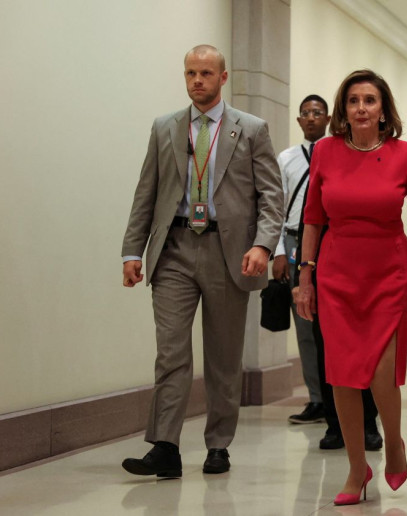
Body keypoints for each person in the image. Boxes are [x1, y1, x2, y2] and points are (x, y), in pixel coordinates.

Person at [120, 44, 283, 478]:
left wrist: (263, 245)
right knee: (171, 352)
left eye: (206, 73)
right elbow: (146, 193)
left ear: (223, 77)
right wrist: (133, 250)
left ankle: (218, 444)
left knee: (223, 356)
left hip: (229, 253)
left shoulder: (251, 130)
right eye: (190, 73)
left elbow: (271, 197)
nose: (197, 81)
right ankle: (166, 446)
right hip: (173, 249)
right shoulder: (165, 128)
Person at [296, 69, 407, 506]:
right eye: (353, 100)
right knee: (340, 373)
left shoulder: (404, 154)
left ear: (383, 110)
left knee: (379, 371)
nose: (361, 108)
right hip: (337, 272)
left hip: (387, 271)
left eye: (370, 100)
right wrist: (305, 276)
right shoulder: (326, 151)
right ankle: (357, 467)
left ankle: (393, 441)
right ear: (344, 109)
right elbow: (313, 218)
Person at [292, 172, 383, 452]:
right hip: (327, 270)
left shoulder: (371, 167)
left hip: (368, 270)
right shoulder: (326, 164)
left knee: (366, 350)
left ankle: (368, 424)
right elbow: (309, 223)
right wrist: (303, 279)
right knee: (328, 350)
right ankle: (335, 425)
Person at [273, 95, 330, 425]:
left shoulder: (337, 152)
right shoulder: (287, 158)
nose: (311, 118)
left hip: (330, 238)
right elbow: (277, 208)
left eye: (317, 113)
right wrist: (278, 250)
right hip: (295, 241)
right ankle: (317, 399)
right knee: (306, 324)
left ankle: (343, 396)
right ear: (298, 121)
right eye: (305, 113)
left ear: (328, 118)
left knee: (333, 323)